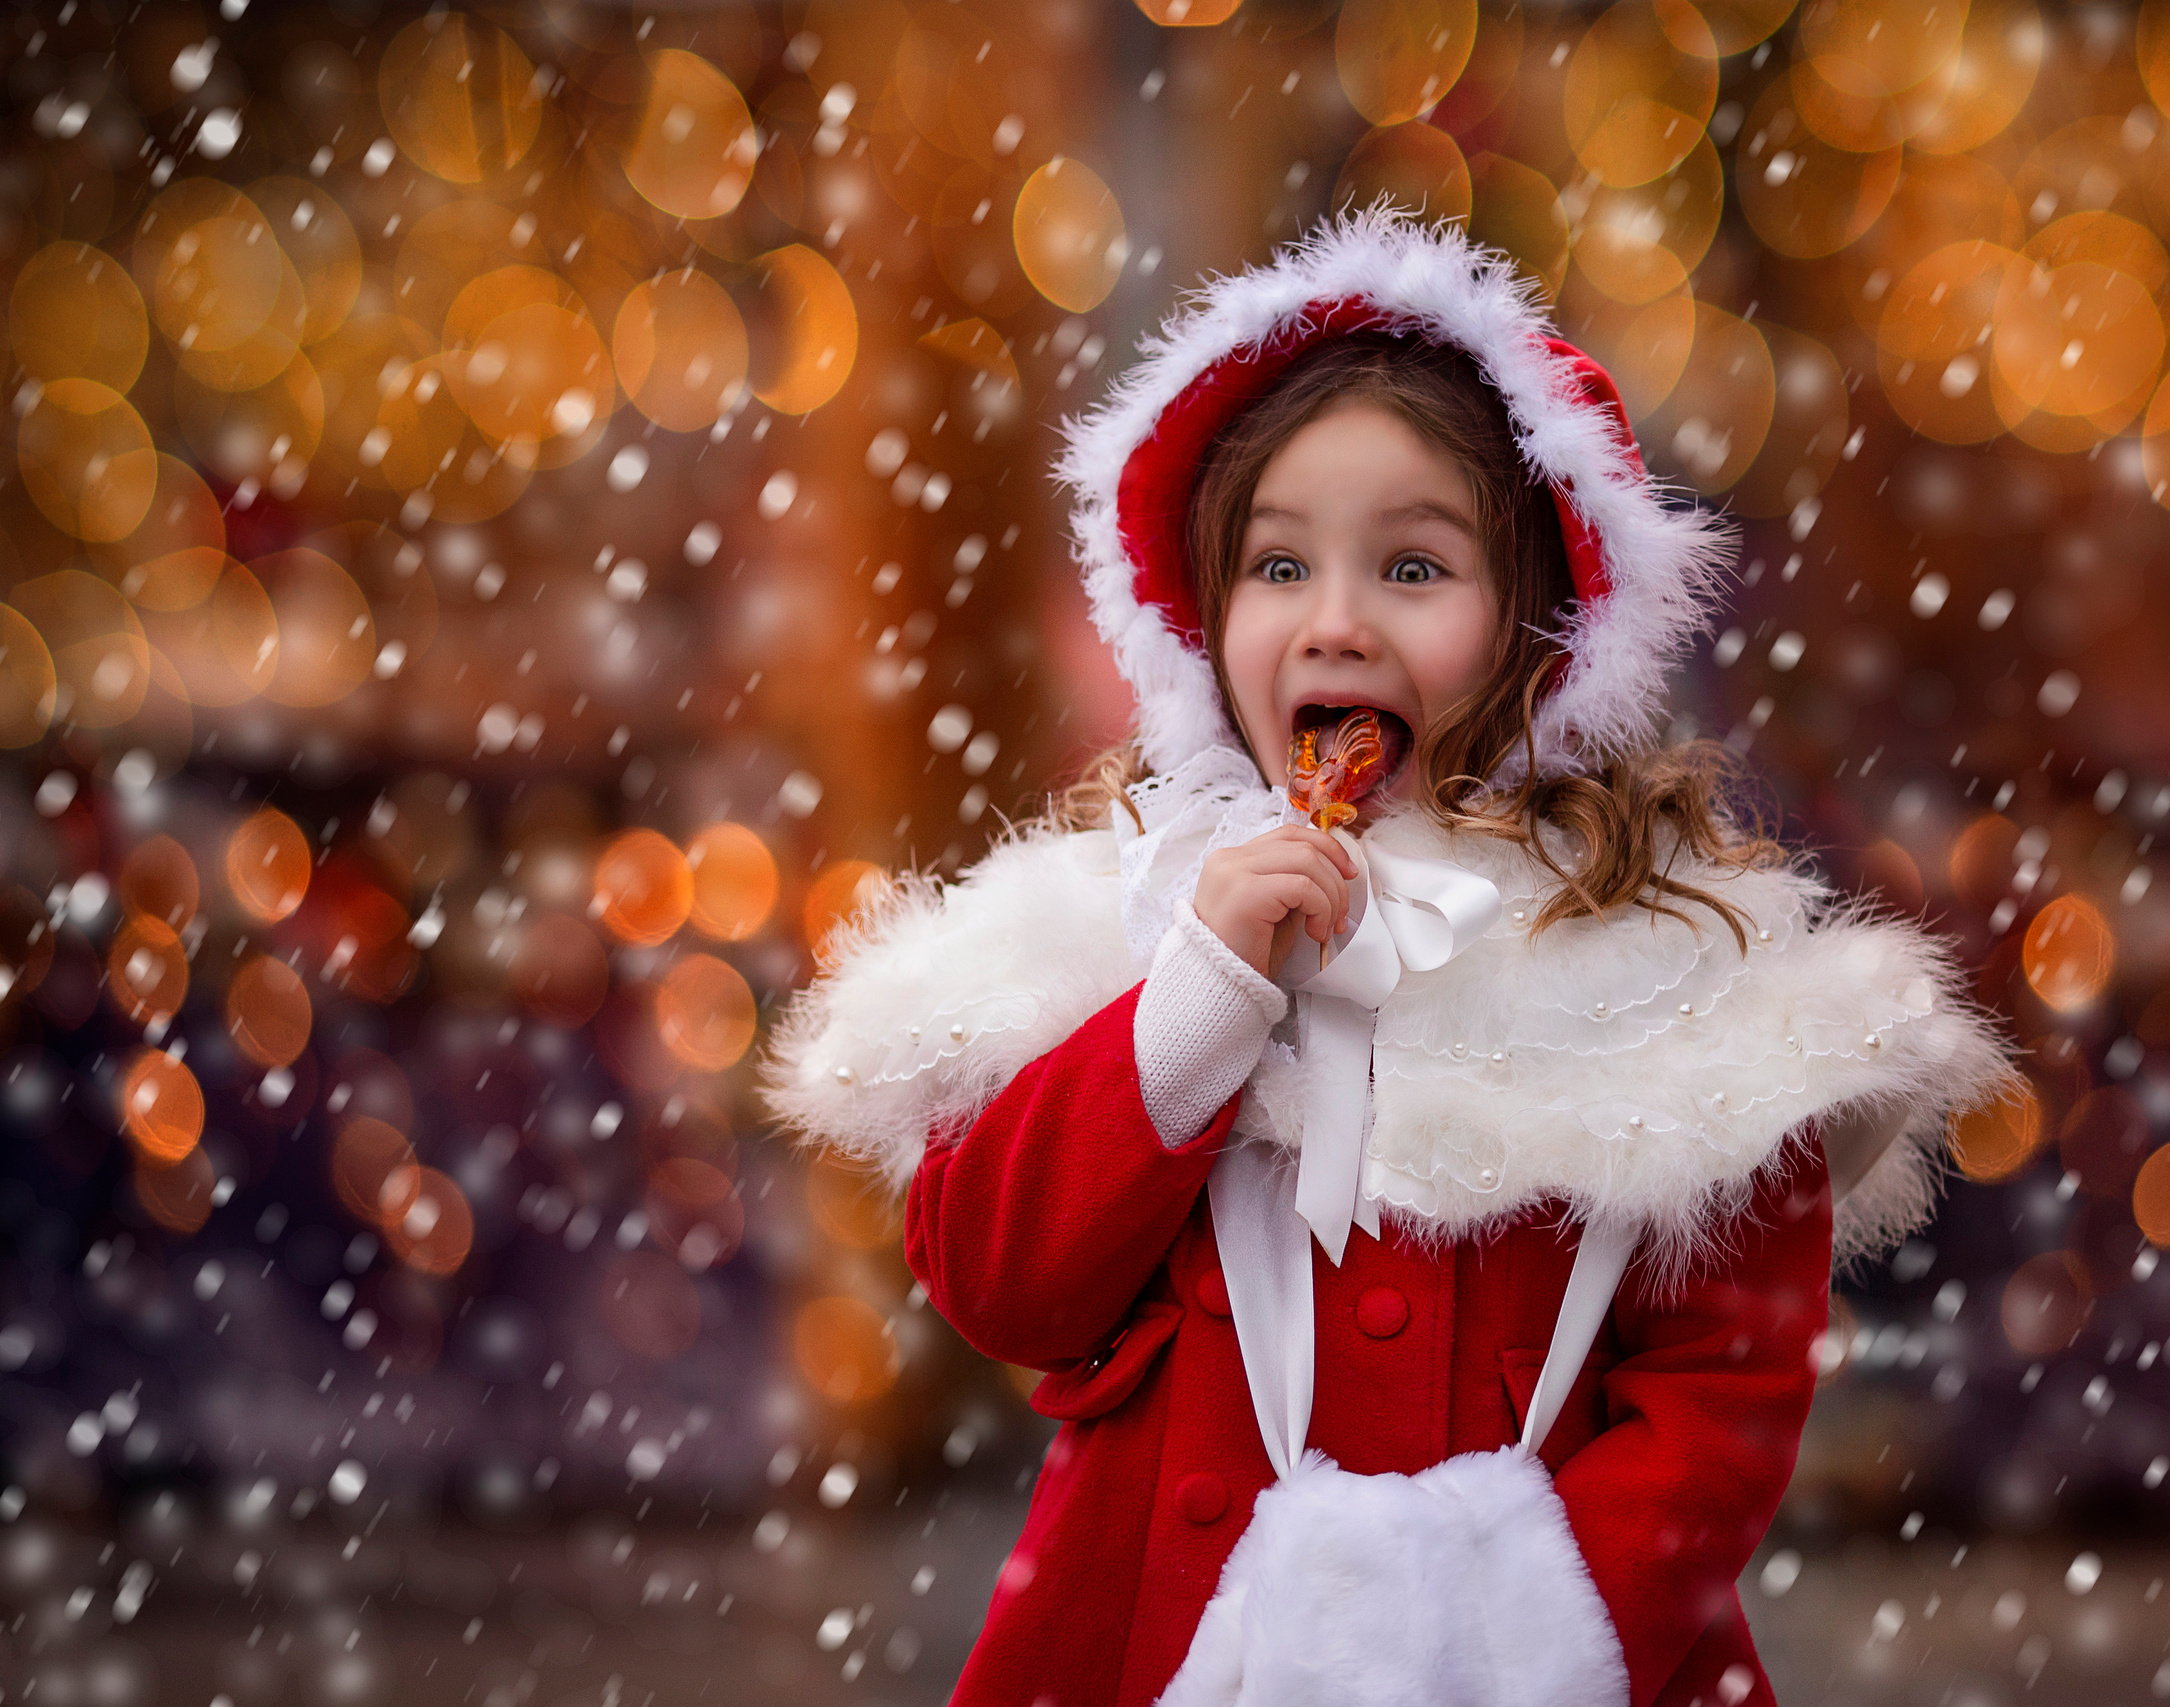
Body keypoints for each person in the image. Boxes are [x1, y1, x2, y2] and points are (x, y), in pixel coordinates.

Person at [763, 212, 2014, 1707]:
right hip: (1157, 1647)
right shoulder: (1115, 920)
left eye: (1414, 568)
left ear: (1547, 625)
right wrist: (1197, 1007)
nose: (1337, 621)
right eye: (1277, 564)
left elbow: (1721, 1396)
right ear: (1203, 618)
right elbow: (1000, 1286)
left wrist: (1544, 1623)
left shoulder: (1666, 967)